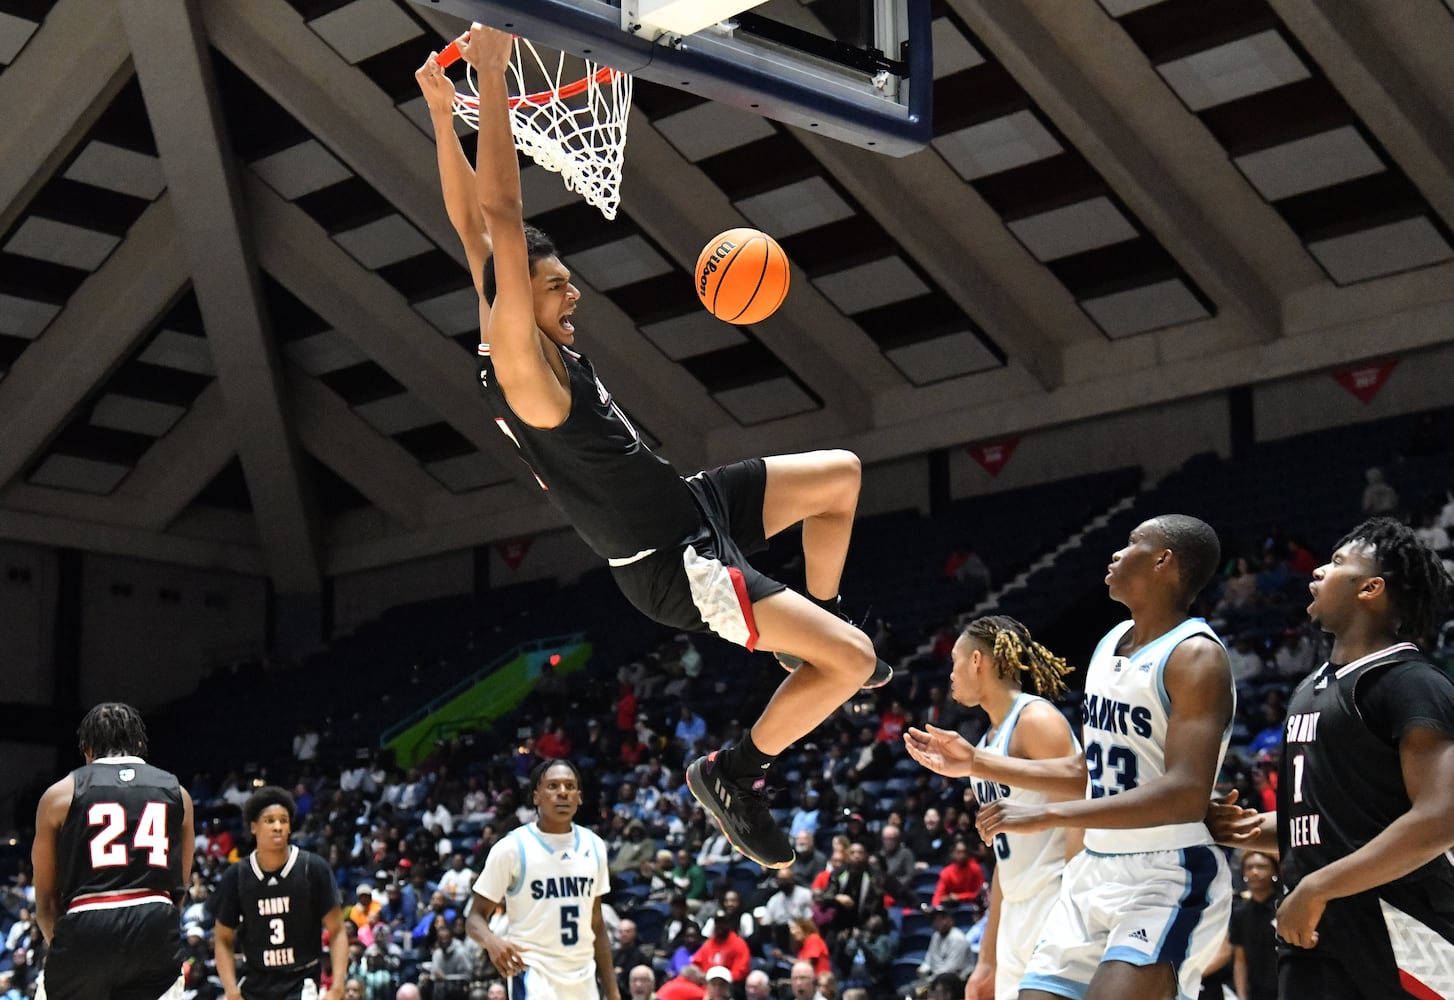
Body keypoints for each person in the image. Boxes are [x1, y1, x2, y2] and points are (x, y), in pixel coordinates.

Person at [418, 25, 892, 870]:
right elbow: (498, 210)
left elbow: (470, 228)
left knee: (840, 480)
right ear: (519, 300)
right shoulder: (522, 367)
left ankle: (812, 623)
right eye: (556, 283)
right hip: (670, 559)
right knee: (851, 666)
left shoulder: (525, 336)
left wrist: (437, 111)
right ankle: (734, 774)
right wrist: (489, 77)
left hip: (690, 502)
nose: (575, 292)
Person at [974, 515, 1236, 1000]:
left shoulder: (1196, 656)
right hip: (1094, 870)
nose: (1117, 553)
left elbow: (1185, 794)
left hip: (1166, 872)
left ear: (1164, 561)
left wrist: (1046, 814)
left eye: (1134, 543)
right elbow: (1086, 771)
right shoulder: (1109, 643)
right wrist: (973, 763)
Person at [1211, 518, 1454, 998]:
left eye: (1338, 562)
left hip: (1406, 927)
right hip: (1314, 932)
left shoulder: (1412, 683)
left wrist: (1319, 886)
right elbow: (1322, 824)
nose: (1318, 571)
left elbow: (1440, 819)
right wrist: (1241, 828)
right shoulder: (1309, 689)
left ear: (1371, 588)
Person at [903, 615, 1080, 1000]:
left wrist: (1072, 907)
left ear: (978, 661)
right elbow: (1005, 856)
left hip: (1057, 899)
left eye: (955, 661)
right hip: (1017, 908)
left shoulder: (1035, 718)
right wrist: (988, 958)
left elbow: (1084, 787)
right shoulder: (986, 743)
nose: (950, 674)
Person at [31, 702, 195, 1000]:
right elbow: (179, 889)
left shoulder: (59, 794)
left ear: (86, 748)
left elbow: (45, 900)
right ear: (141, 744)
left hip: (86, 925)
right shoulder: (177, 792)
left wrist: (75, 949)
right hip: (154, 925)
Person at [465, 758, 619, 1000]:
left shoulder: (595, 845)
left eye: (570, 786)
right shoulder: (512, 848)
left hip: (583, 980)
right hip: (533, 977)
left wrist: (612, 993)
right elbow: (474, 917)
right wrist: (492, 941)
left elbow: (597, 925)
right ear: (536, 796)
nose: (562, 793)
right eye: (553, 786)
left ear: (579, 796)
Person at [212, 786, 349, 1000]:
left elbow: (337, 930)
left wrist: (338, 986)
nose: (278, 827)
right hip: (255, 981)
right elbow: (223, 938)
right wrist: (231, 990)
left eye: (283, 820)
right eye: (270, 821)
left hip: (301, 980)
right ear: (254, 827)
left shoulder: (312, 868)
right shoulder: (237, 875)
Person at [1229, 851, 1278, 1000]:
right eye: (1249, 867)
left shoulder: (1284, 906)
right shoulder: (1240, 913)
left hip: (1286, 988)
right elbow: (1240, 959)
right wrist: (1242, 995)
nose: (1255, 872)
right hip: (1257, 991)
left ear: (1274, 871)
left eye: (1262, 867)